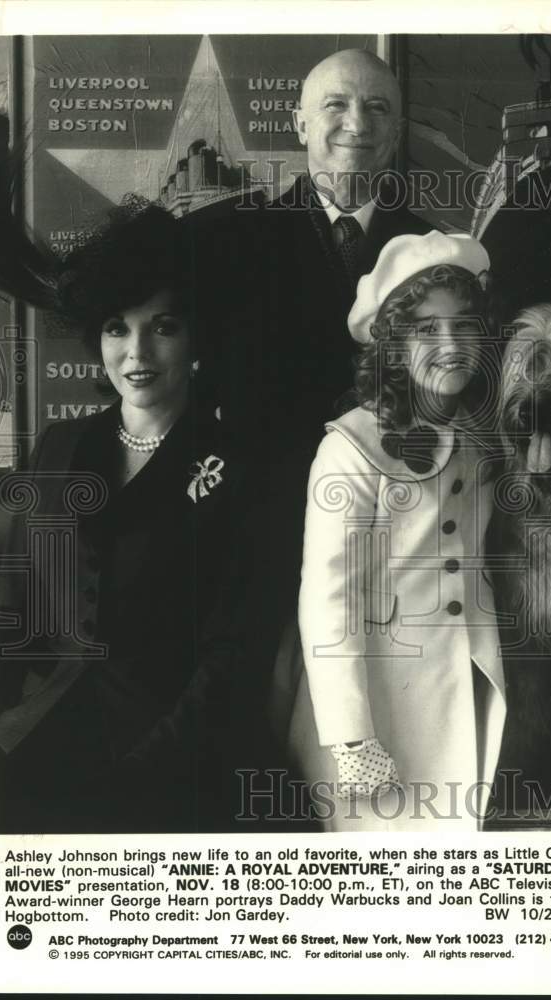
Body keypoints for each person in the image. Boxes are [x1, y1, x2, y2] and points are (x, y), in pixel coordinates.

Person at [0, 201, 271, 833]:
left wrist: (141, 773)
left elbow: (234, 654)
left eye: (162, 326)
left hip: (177, 768)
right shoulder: (60, 448)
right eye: (117, 328)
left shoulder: (238, 468)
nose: (137, 351)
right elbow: (13, 609)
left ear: (196, 335)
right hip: (40, 745)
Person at [187, 50, 431, 671]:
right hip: (254, 540)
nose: (358, 121)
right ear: (299, 125)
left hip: (392, 545)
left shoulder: (433, 254)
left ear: (397, 131)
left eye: (378, 107)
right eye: (337, 104)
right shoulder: (227, 242)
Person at [282, 230, 507, 830]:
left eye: (463, 325)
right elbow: (328, 602)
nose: (451, 344)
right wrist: (351, 738)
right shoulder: (350, 450)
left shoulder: (483, 440)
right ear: (392, 346)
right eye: (426, 330)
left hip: (460, 691)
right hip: (375, 713)